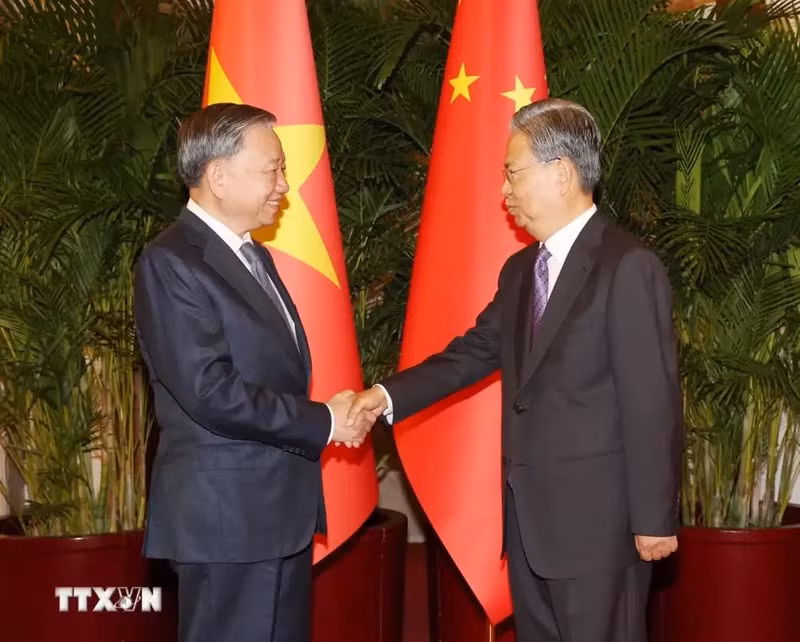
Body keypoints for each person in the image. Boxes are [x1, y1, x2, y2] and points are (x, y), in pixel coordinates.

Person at [348, 98, 682, 642]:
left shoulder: (627, 266)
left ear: (562, 173)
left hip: (601, 530)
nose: (504, 191)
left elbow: (652, 401)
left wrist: (653, 518)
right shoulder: (523, 269)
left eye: (512, 173)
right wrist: (384, 395)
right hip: (529, 528)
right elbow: (473, 351)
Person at [133, 103, 372, 642]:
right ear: (217, 176)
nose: (285, 185)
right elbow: (211, 392)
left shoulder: (252, 256)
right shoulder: (171, 262)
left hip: (275, 517)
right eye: (273, 169)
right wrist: (325, 422)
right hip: (227, 525)